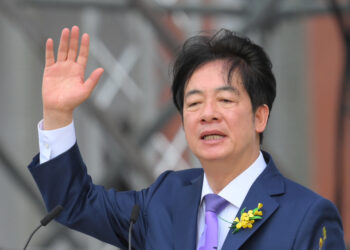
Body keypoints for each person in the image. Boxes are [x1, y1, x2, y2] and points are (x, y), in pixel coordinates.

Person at [28, 26, 345, 250]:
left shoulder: (307, 216)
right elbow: (72, 203)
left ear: (260, 116)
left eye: (225, 100)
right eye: (194, 103)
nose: (208, 113)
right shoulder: (164, 200)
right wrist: (58, 114)